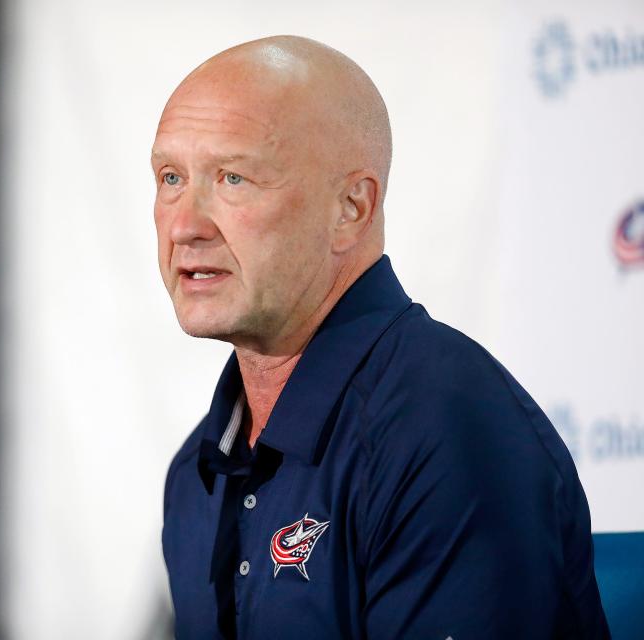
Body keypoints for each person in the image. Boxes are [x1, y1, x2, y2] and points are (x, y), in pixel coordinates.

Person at [153, 35, 610, 639]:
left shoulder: (443, 428)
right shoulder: (199, 468)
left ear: (352, 208)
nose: (184, 224)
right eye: (170, 177)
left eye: (234, 178)